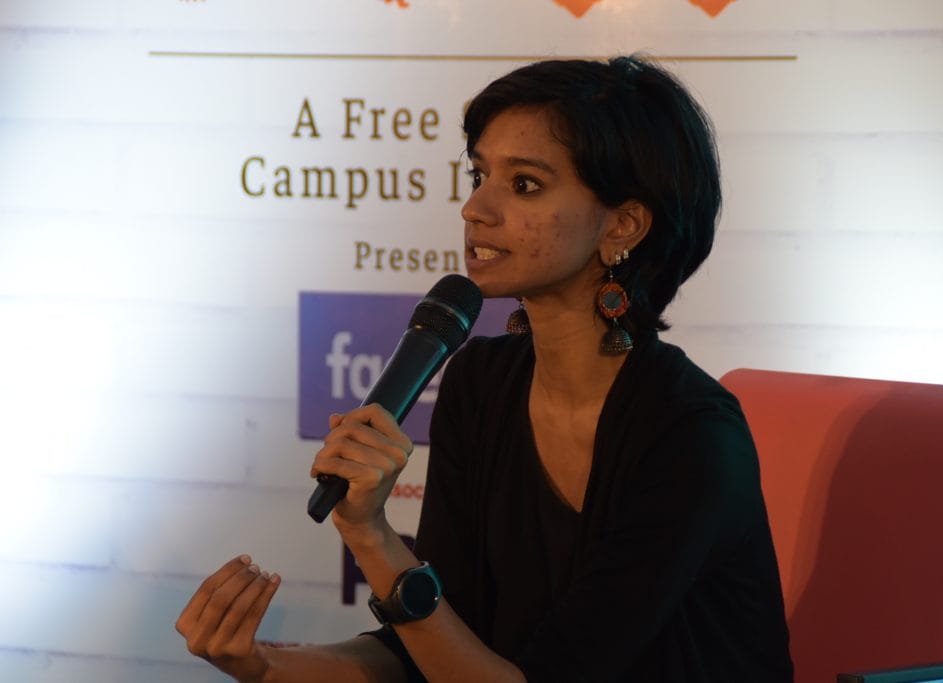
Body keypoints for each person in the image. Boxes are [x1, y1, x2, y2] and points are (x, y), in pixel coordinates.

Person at [176, 55, 794, 682]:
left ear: (623, 226)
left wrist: (372, 537)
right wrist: (263, 667)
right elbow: (439, 648)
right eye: (478, 174)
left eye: (524, 184)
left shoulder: (689, 435)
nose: (475, 208)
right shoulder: (481, 383)